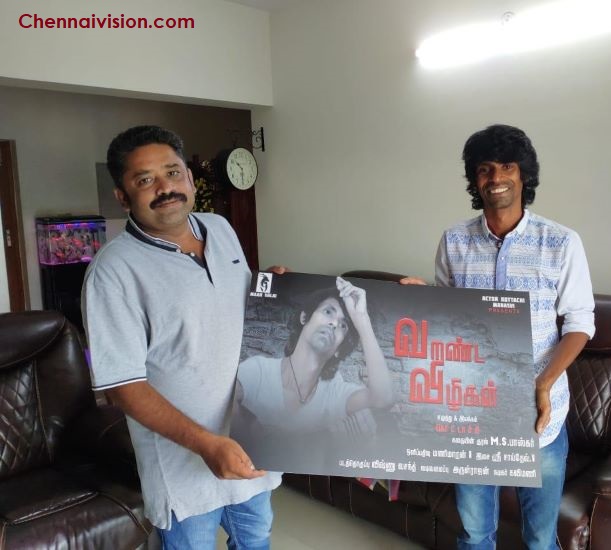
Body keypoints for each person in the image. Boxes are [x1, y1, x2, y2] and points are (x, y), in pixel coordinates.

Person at [81, 125, 283, 550]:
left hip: (250, 438)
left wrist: (275, 290)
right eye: (145, 180)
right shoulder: (113, 272)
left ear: (189, 178)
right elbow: (123, 386)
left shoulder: (220, 228)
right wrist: (206, 444)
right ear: (123, 197)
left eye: (172, 173)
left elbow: (234, 307)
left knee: (256, 541)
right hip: (182, 467)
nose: (165, 188)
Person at [427, 124, 595, 550]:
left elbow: (580, 323)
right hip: (472, 415)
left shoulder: (561, 243)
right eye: (485, 169)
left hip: (540, 418)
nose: (496, 178)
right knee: (474, 534)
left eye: (507, 167)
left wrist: (544, 382)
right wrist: (414, 300)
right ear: (474, 178)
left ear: (524, 175)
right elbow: (445, 317)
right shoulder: (454, 241)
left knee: (539, 539)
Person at [234, 276, 394, 435]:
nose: (334, 323)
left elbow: (383, 398)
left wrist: (361, 318)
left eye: (343, 325)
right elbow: (225, 400)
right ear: (304, 318)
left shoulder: (335, 393)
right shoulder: (259, 371)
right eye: (328, 312)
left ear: (339, 349)